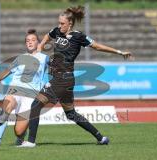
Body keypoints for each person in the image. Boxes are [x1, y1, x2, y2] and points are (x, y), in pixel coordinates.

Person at [18, 6, 133, 147]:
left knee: (35, 105)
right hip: (62, 80)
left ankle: (30, 142)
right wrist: (41, 46)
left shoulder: (79, 36)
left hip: (62, 79)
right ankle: (101, 138)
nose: (59, 26)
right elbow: (48, 36)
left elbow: (97, 46)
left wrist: (119, 52)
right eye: (59, 23)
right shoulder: (57, 32)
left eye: (62, 23)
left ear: (70, 24)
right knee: (71, 114)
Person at [0, 29, 49, 148]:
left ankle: (21, 137)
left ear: (38, 42)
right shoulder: (20, 58)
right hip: (15, 91)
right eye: (27, 41)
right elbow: (5, 73)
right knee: (6, 107)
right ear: (25, 44)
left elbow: (56, 69)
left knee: (19, 131)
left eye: (33, 40)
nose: (30, 42)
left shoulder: (45, 58)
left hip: (31, 96)